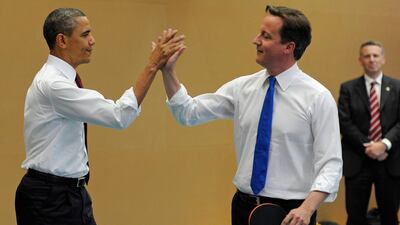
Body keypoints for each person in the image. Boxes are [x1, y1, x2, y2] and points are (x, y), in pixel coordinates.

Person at [160, 5, 342, 225]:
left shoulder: (318, 97)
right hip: (243, 207)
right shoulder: (242, 88)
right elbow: (187, 113)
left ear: (288, 47)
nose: (255, 40)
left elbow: (331, 164)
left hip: (293, 214)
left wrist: (307, 208)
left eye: (266, 36)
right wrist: (168, 72)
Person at [15, 8, 184, 225]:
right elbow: (118, 116)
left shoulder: (62, 79)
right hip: (49, 199)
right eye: (85, 35)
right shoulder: (53, 84)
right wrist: (152, 65)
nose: (92, 41)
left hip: (71, 194)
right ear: (62, 41)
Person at [338, 40, 400, 225]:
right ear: (360, 60)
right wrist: (369, 146)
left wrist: (384, 145)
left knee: (390, 216)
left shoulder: (398, 87)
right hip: (358, 160)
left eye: (375, 55)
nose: (371, 59)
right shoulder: (348, 88)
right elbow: (344, 122)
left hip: (389, 160)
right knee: (355, 216)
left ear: (383, 59)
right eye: (367, 56)